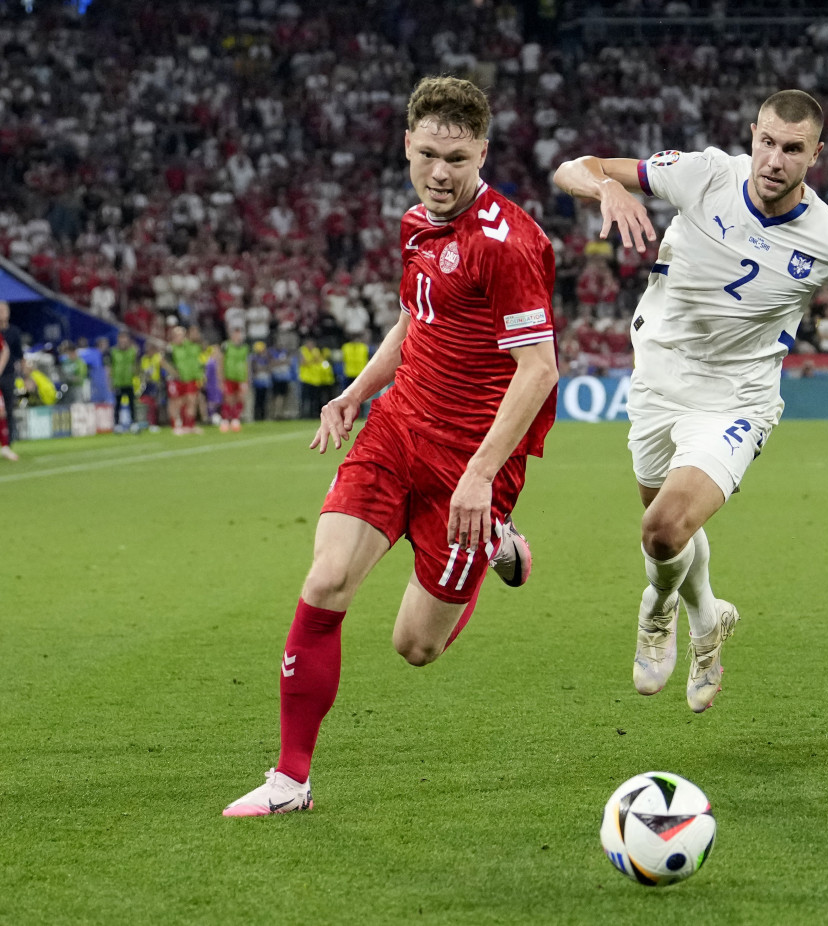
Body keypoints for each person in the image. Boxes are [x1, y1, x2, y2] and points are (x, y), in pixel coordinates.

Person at [553, 89, 828, 714]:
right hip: (658, 380)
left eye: (792, 149)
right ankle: (707, 621)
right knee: (668, 531)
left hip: (737, 398)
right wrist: (604, 187)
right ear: (752, 135)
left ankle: (656, 610)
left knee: (662, 532)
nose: (774, 159)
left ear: (815, 155)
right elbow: (571, 167)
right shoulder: (706, 174)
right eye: (766, 142)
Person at [223, 76, 559, 817]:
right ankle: (289, 781)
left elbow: (539, 369)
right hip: (399, 427)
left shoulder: (509, 244)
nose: (441, 173)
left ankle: (496, 542)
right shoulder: (415, 222)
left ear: (484, 153)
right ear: (407, 143)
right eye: (430, 154)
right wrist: (355, 391)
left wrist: (480, 476)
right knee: (327, 579)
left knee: (415, 647)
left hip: (473, 467)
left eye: (459, 160)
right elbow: (417, 318)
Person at [164, 324, 203, 434]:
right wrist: (174, 372)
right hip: (174, 379)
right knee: (176, 402)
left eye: (182, 335)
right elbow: (163, 362)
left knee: (190, 400)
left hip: (187, 378)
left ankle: (189, 425)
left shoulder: (188, 347)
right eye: (178, 336)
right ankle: (175, 425)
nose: (180, 338)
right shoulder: (170, 348)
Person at [219, 327, 250, 431]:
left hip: (241, 377)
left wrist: (247, 378)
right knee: (228, 398)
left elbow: (246, 363)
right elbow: (221, 362)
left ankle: (235, 419)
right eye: (235, 334)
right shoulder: (226, 346)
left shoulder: (245, 347)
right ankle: (225, 420)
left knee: (240, 397)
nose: (237, 337)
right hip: (229, 376)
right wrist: (220, 377)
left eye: (239, 334)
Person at [108, 331, 139, 431]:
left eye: (125, 339)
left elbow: (135, 364)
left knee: (132, 404)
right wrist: (110, 381)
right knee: (117, 404)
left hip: (129, 381)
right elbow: (110, 367)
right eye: (121, 339)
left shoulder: (132, 351)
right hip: (118, 382)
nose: (123, 341)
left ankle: (134, 423)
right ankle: (117, 424)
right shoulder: (113, 352)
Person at [0, 300, 19, 460]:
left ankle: (7, 444)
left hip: (7, 375)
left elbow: (7, 351)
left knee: (5, 410)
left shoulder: (13, 332)